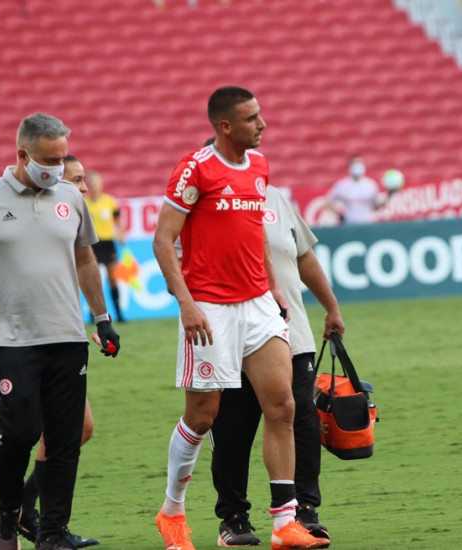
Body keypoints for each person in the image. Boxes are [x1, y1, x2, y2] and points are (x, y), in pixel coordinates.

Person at [152, 86, 326, 550]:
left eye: (261, 115)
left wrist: (270, 288)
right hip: (208, 308)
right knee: (204, 415)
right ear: (224, 126)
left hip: (258, 305)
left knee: (284, 406)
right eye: (252, 118)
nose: (262, 124)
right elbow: (162, 239)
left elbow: (258, 237)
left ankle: (285, 524)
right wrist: (186, 302)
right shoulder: (196, 169)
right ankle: (171, 512)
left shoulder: (261, 168)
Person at [0, 113, 121, 550]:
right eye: (50, 159)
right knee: (20, 434)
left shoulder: (71, 198)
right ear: (22, 154)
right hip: (13, 341)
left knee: (65, 442)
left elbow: (86, 260)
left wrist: (102, 318)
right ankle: (9, 517)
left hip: (68, 338)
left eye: (63, 157)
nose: (59, 168)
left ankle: (52, 533)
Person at [210, 182, 345, 547]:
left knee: (300, 423)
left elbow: (303, 258)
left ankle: (303, 514)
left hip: (292, 336)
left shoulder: (275, 199)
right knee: (232, 432)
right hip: (232, 341)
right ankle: (234, 518)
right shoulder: (202, 202)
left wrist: (331, 306)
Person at [17, 154, 99, 549]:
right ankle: (30, 515)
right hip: (29, 345)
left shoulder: (69, 218)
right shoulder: (37, 219)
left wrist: (97, 320)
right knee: (60, 431)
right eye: (77, 179)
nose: (84, 187)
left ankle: (29, 510)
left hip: (66, 338)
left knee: (77, 429)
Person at [85, 170, 126, 323]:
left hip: (108, 243)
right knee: (94, 281)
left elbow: (117, 221)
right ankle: (93, 315)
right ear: (88, 185)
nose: (94, 186)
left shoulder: (110, 201)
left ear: (101, 184)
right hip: (92, 244)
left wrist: (121, 234)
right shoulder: (85, 203)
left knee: (113, 280)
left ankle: (119, 314)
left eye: (97, 183)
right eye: (92, 183)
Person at [325, 154, 390, 225]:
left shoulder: (371, 185)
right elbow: (328, 201)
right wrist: (340, 216)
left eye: (359, 163)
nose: (357, 166)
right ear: (349, 166)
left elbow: (375, 206)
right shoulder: (342, 185)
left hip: (368, 223)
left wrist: (388, 197)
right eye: (354, 163)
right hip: (349, 224)